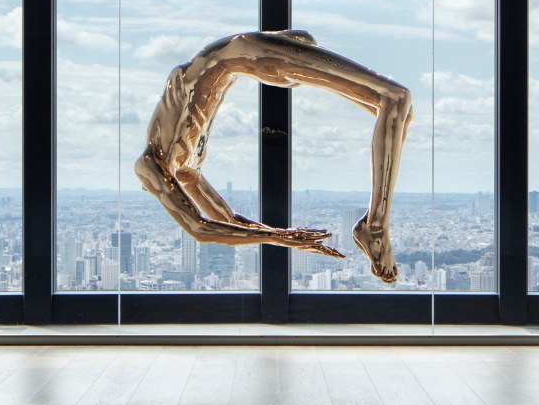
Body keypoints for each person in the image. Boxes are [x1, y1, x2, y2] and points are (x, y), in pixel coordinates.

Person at [134, 30, 412, 283]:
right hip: (251, 58)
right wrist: (283, 236)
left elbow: (199, 228)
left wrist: (279, 238)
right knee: (397, 108)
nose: (160, 191)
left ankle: (375, 226)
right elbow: (227, 220)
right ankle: (373, 225)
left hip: (248, 53)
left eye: (155, 188)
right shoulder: (186, 169)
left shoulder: (150, 162)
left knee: (396, 100)